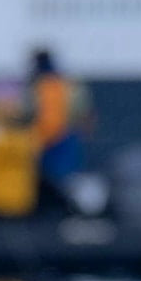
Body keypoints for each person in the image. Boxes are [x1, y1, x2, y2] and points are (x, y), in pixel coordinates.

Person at [31, 48, 88, 183]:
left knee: (52, 176)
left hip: (50, 137)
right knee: (65, 176)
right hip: (64, 134)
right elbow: (81, 110)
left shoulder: (42, 83)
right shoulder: (66, 81)